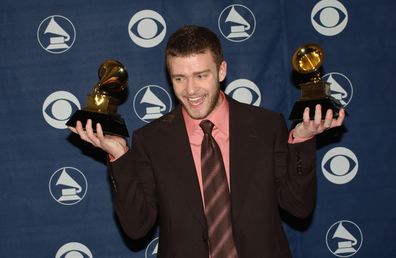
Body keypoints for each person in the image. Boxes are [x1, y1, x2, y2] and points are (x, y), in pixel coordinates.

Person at [69, 25, 345, 258]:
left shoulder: (266, 126)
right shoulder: (151, 141)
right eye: (180, 78)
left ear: (222, 71)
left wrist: (302, 140)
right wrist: (120, 157)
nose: (191, 90)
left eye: (201, 75)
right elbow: (137, 227)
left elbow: (298, 207)